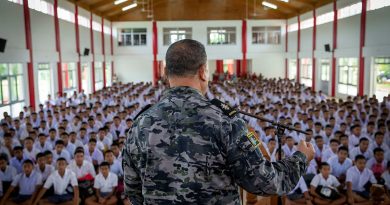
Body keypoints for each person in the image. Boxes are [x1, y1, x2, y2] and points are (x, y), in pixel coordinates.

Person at [122, 39, 315, 204]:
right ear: (204, 71)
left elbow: (132, 190)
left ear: (166, 72)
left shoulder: (140, 124)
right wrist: (300, 158)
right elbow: (266, 182)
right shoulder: (227, 121)